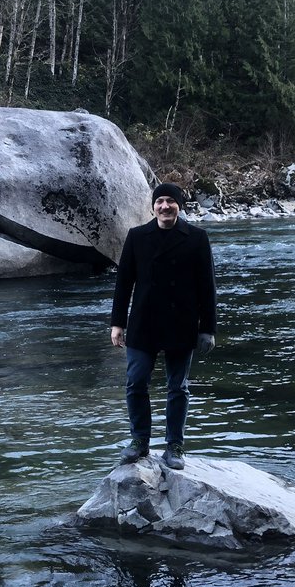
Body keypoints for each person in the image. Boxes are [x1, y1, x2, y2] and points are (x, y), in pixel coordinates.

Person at [109, 183, 216, 470]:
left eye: (171, 201)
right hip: (143, 323)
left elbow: (208, 287)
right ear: (153, 206)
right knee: (135, 382)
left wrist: (208, 329)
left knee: (178, 387)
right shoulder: (137, 236)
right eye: (160, 201)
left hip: (181, 323)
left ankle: (174, 446)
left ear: (180, 206)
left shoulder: (196, 238)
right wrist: (117, 323)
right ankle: (139, 441)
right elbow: (123, 284)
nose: (165, 206)